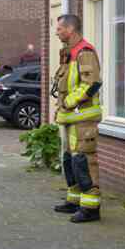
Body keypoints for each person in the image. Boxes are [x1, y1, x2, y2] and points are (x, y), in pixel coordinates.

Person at [52, 14, 103, 223]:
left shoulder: (85, 52)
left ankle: (91, 208)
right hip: (68, 117)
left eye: (59, 29)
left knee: (84, 160)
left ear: (70, 29)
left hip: (82, 117)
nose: (56, 32)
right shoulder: (68, 53)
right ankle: (74, 200)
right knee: (69, 160)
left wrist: (69, 102)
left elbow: (92, 84)